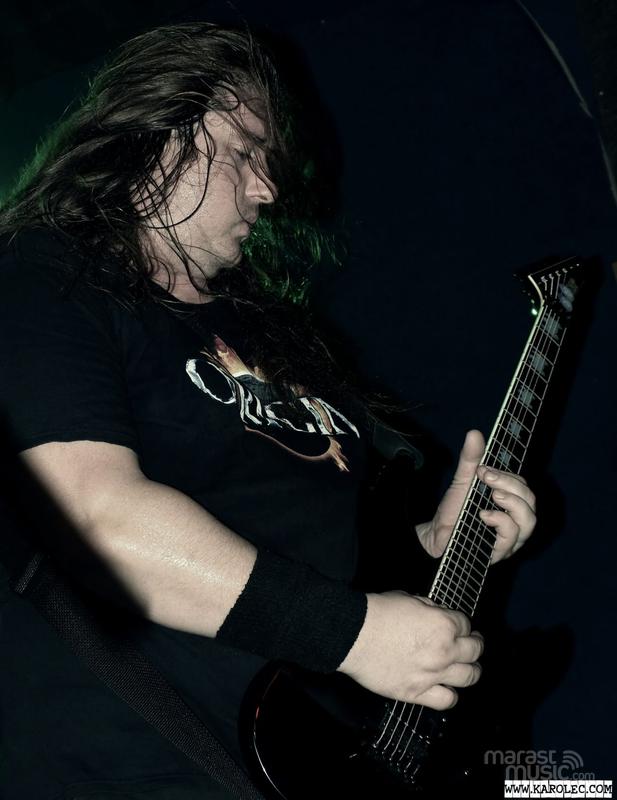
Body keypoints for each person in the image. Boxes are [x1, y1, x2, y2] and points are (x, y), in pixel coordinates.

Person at [0, 22, 536, 800]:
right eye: (246, 152)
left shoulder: (272, 337)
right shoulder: (41, 279)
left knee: (564, 786)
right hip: (135, 761)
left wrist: (434, 547)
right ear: (159, 133)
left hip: (311, 756)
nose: (266, 188)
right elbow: (93, 519)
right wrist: (353, 635)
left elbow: (321, 550)